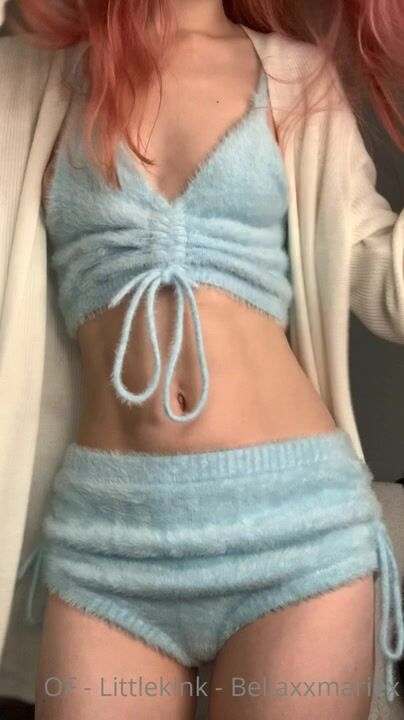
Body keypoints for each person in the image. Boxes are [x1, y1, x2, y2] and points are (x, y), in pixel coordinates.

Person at [0, 1, 403, 718]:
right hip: (107, 543)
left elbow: (387, 287)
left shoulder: (297, 78)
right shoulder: (29, 72)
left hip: (294, 533)